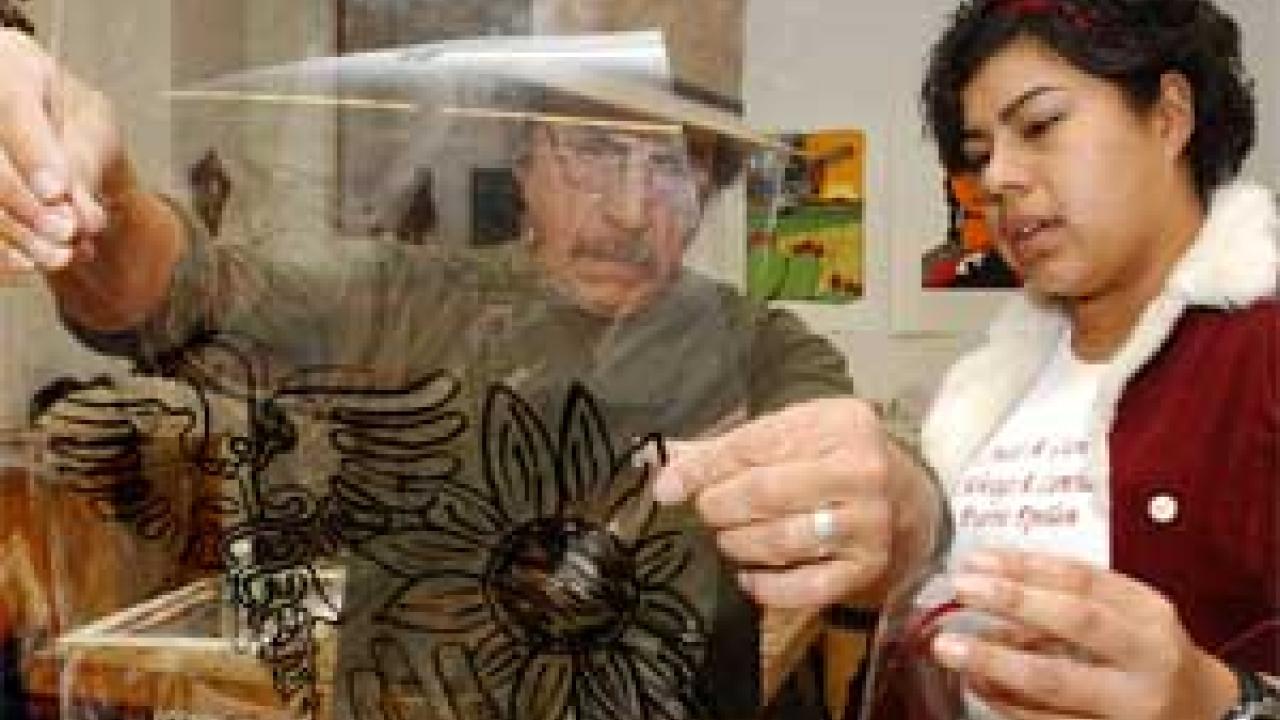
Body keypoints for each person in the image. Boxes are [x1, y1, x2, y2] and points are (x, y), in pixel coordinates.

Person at [0, 25, 940, 720]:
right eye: (593, 151)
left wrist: (898, 506)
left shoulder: (760, 347)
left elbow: (880, 499)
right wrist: (95, 197)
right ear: (525, 164)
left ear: (707, 188)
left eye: (673, 165)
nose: (627, 210)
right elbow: (183, 294)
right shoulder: (407, 302)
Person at [658, 0, 1278, 718]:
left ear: (1169, 116)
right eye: (980, 154)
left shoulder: (1258, 366)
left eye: (1041, 126)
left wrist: (1223, 703)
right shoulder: (986, 388)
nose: (997, 178)